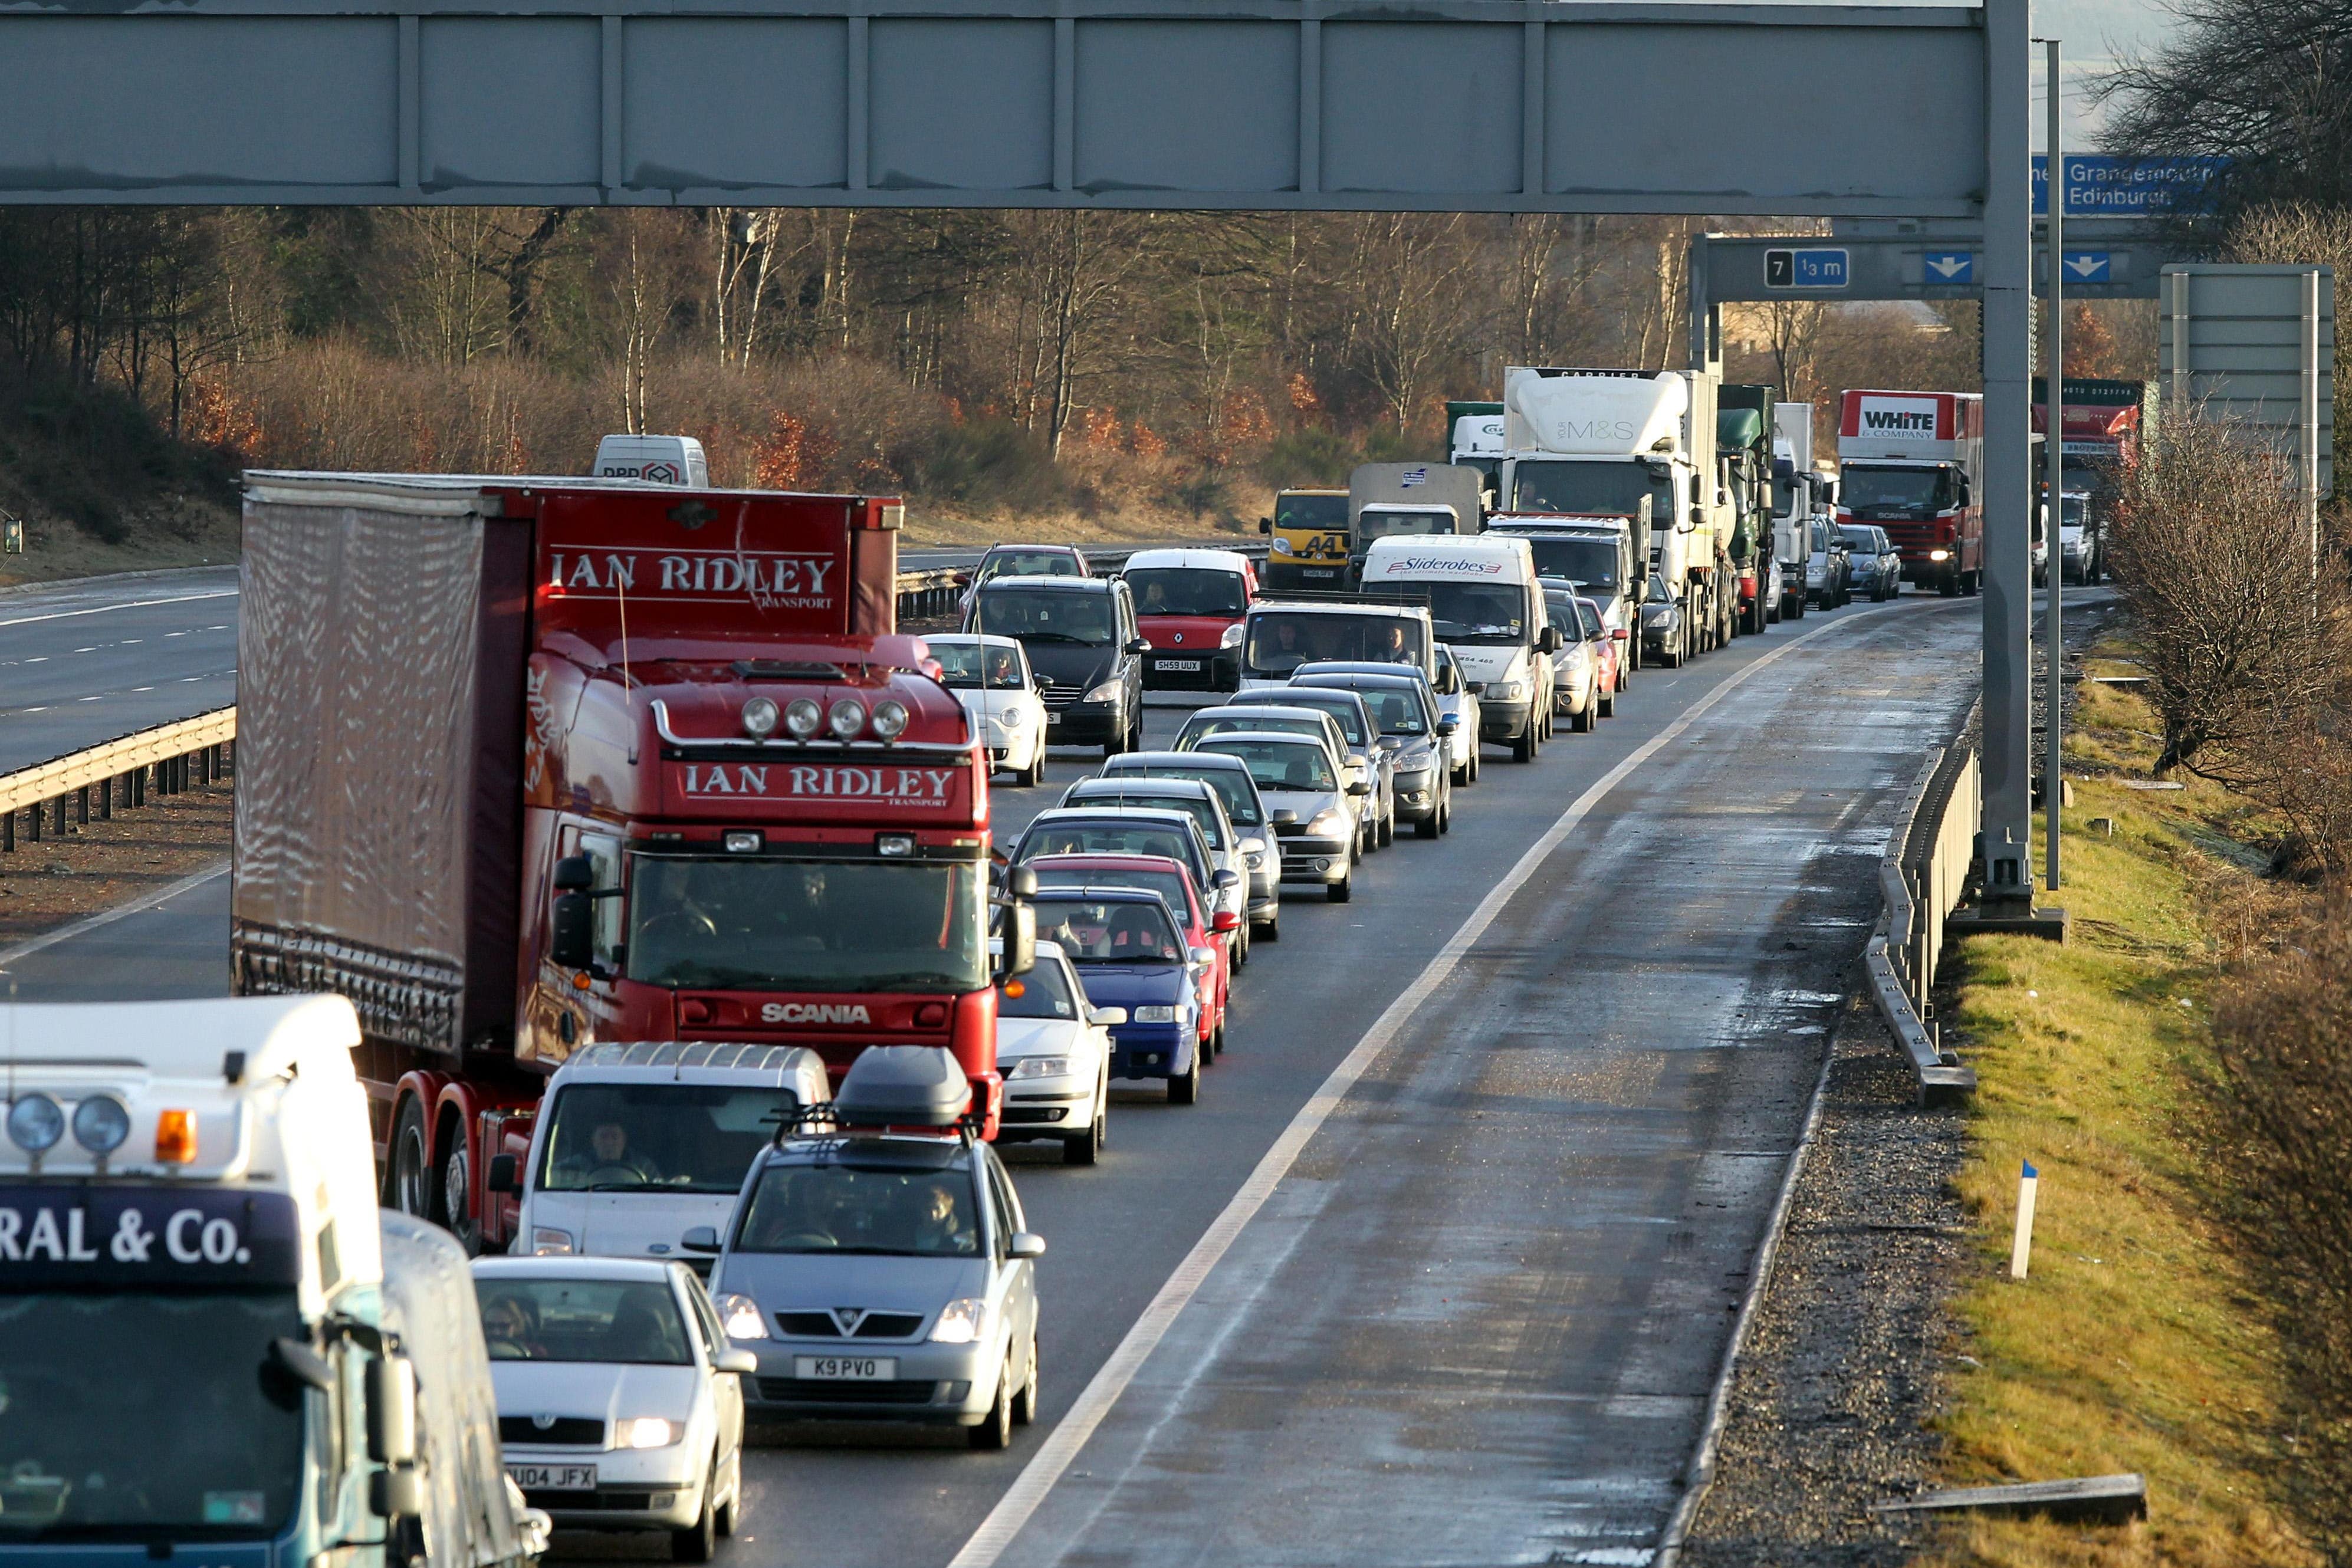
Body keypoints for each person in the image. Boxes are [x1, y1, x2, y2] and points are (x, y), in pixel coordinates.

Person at [559, 1120, 661, 1185]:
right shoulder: (575, 1166)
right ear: (593, 1141)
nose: (609, 1143)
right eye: (603, 1137)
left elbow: (658, 1190)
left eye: (615, 1137)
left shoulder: (645, 1167)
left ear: (624, 1141)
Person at [908, 1181, 974, 1255]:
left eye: (938, 1209)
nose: (933, 1215)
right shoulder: (905, 1232)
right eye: (927, 1209)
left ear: (948, 1211)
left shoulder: (961, 1241)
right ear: (920, 1211)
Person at [481, 1291, 547, 1359]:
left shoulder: (536, 1353)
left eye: (504, 1326)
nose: (496, 1332)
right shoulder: (473, 1351)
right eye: (490, 1326)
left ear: (516, 1325)